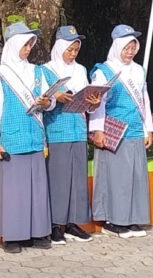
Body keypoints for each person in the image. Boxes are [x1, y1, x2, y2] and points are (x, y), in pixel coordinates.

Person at [0, 21, 55, 254]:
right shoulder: (0, 74)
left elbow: (50, 100)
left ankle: (38, 233)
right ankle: (12, 236)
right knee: (14, 190)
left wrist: (47, 102)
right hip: (12, 137)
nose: (28, 49)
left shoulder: (38, 71)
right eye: (24, 44)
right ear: (14, 44)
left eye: (30, 45)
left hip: (35, 136)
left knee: (37, 188)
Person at [88, 24, 153, 239]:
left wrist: (148, 129)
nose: (131, 51)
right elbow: (98, 103)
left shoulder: (138, 69)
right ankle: (114, 221)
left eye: (133, 47)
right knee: (116, 179)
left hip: (135, 130)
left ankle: (133, 219)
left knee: (136, 177)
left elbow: (145, 100)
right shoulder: (103, 71)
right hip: (114, 132)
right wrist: (97, 131)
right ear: (117, 47)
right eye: (127, 47)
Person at [44, 25, 100, 245]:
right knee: (59, 179)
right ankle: (56, 224)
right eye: (69, 48)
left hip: (78, 129)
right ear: (59, 47)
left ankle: (73, 223)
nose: (73, 53)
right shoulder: (46, 70)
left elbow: (86, 99)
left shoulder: (80, 70)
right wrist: (56, 97)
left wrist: (93, 103)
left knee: (77, 178)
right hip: (57, 130)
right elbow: (43, 101)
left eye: (76, 49)